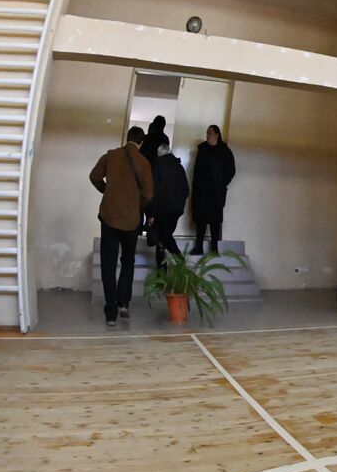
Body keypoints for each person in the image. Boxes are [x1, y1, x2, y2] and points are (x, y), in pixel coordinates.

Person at [89, 127, 153, 326]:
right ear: (141, 143)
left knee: (108, 264)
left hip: (109, 218)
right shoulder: (143, 162)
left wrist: (106, 191)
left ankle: (110, 313)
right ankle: (123, 302)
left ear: (127, 139)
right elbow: (149, 194)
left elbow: (94, 176)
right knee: (128, 261)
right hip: (132, 221)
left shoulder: (111, 156)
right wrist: (136, 206)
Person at [190, 125, 235, 255]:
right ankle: (199, 246)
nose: (207, 136)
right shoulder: (202, 149)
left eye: (209, 133)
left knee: (215, 220)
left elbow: (231, 170)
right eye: (207, 133)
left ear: (217, 134)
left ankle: (214, 248)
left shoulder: (225, 151)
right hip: (202, 191)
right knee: (201, 219)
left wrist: (221, 183)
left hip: (216, 192)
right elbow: (197, 171)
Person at [148, 137, 189, 267]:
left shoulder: (157, 167)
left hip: (162, 210)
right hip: (176, 210)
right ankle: (179, 262)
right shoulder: (179, 167)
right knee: (165, 235)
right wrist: (179, 203)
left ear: (158, 154)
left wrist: (151, 214)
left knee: (161, 239)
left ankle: (162, 275)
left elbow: (155, 192)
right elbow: (186, 190)